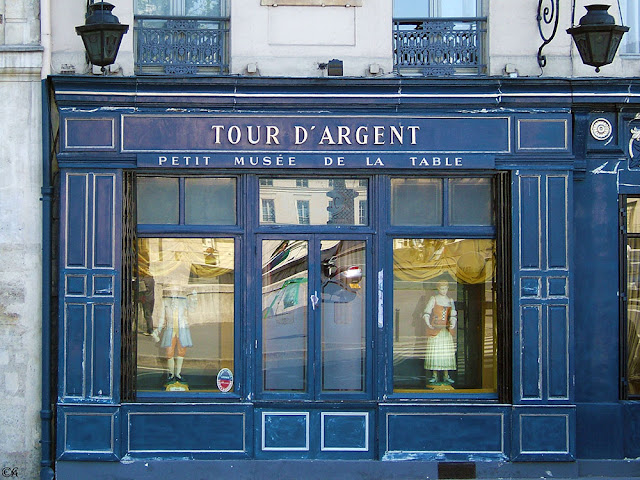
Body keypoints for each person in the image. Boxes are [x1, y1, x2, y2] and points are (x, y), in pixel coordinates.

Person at [152, 286, 195, 385]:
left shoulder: (183, 301)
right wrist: (158, 329)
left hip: (182, 329)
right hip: (170, 329)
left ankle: (178, 374)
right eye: (172, 291)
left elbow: (192, 309)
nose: (173, 293)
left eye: (175, 291)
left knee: (181, 351)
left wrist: (194, 298)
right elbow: (162, 317)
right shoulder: (165, 302)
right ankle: (171, 374)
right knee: (169, 352)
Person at [423, 280, 457, 385]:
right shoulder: (433, 299)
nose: (444, 291)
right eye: (442, 288)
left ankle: (446, 375)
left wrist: (453, 323)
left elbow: (453, 315)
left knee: (445, 352)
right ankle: (435, 375)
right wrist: (428, 323)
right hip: (436, 329)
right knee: (436, 352)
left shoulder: (450, 300)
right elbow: (427, 312)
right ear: (438, 289)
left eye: (445, 288)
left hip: (446, 330)